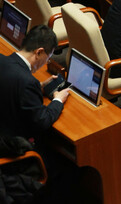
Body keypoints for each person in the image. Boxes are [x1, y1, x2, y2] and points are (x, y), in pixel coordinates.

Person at [0, 24, 77, 202]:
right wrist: (58, 100)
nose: (46, 63)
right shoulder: (27, 82)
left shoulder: (3, 61)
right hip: (14, 148)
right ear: (39, 52)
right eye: (48, 57)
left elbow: (11, 90)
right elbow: (41, 121)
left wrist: (40, 88)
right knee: (69, 166)